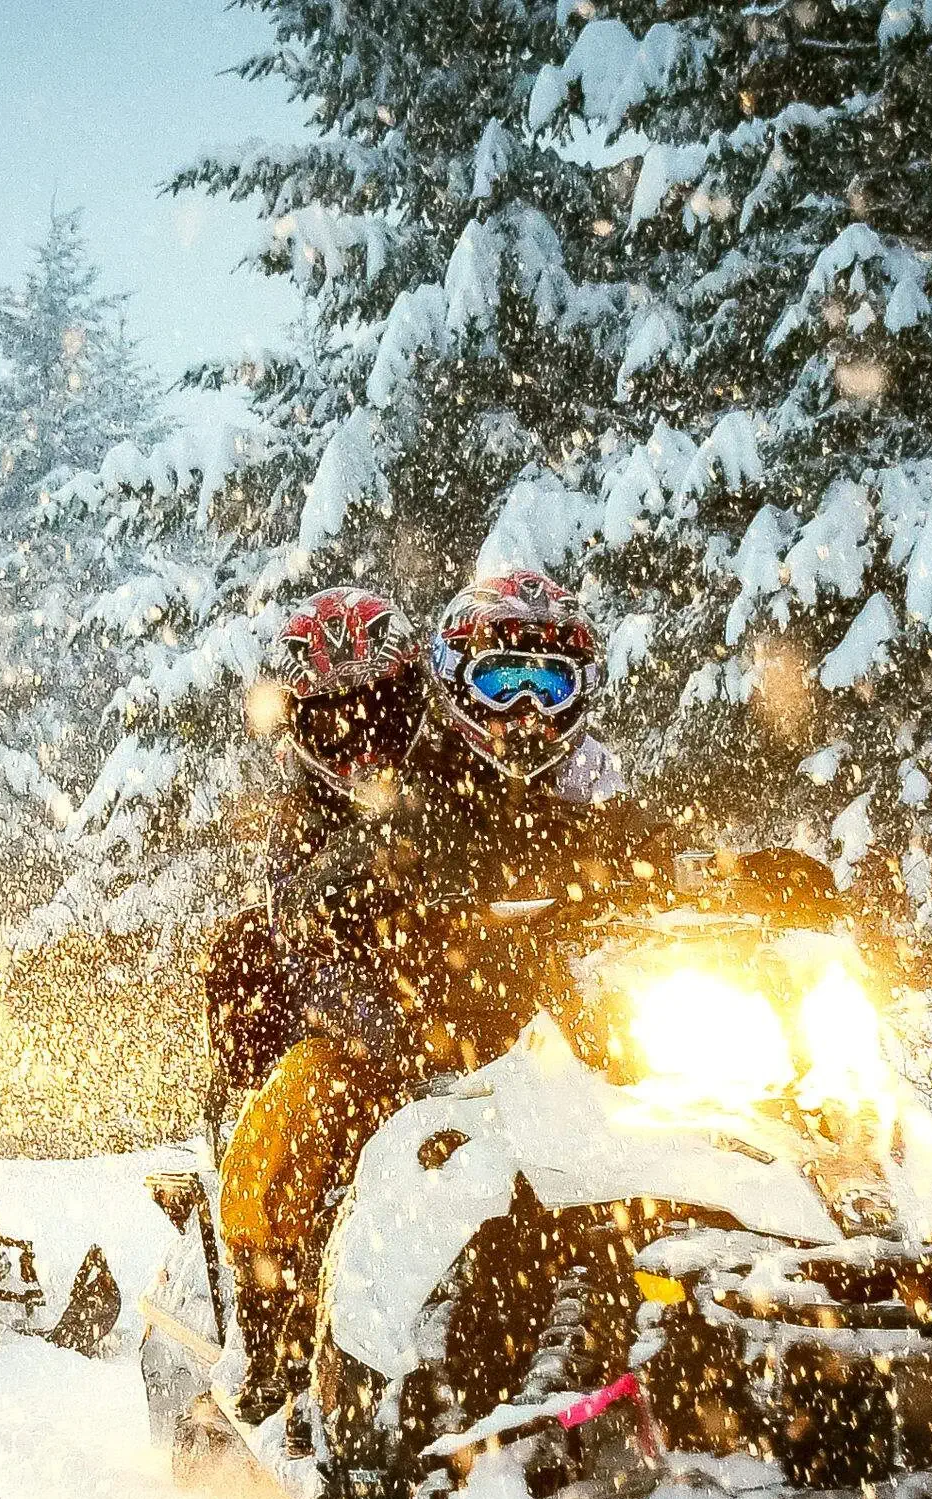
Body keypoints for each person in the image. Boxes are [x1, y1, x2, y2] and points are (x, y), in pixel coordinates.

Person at [218, 571, 673, 1419]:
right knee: (312, 1100)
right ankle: (278, 1320)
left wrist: (726, 873)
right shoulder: (424, 782)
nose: (527, 708)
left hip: (544, 1008)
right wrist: (376, 877)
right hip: (404, 1004)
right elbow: (327, 892)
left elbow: (627, 837)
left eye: (550, 683)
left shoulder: (583, 776)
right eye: (505, 681)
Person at [203, 586, 429, 1109]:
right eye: (334, 723)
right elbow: (298, 929)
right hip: (365, 1041)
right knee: (244, 952)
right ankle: (260, 1157)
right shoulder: (296, 820)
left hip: (481, 996)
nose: (364, 740)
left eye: (381, 708)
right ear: (299, 729)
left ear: (413, 698)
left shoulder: (457, 771)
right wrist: (360, 868)